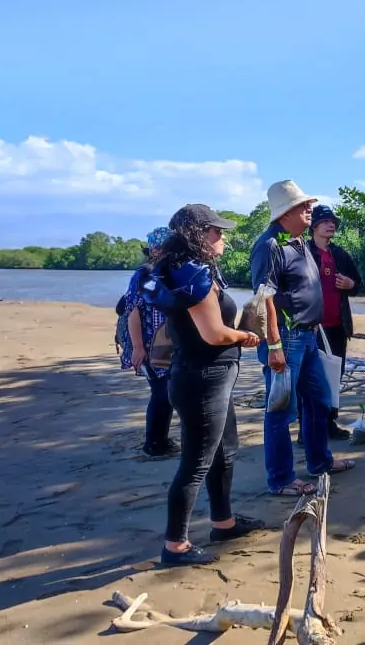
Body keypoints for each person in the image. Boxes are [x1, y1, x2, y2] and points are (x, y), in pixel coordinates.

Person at [149, 204, 263, 566]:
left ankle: (223, 522)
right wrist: (246, 334)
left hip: (208, 375)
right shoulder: (193, 276)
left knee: (225, 450)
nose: (223, 237)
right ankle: (175, 545)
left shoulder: (180, 270)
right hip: (203, 376)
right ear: (197, 235)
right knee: (196, 462)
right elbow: (214, 334)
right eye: (216, 231)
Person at [250, 180, 356, 497]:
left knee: (319, 401)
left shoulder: (298, 242)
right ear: (285, 212)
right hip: (286, 337)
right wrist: (275, 346)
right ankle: (281, 478)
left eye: (308, 204)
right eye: (302, 206)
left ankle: (319, 461)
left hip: (309, 337)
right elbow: (263, 297)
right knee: (281, 410)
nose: (309, 209)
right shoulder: (269, 245)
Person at [307, 204, 362, 439]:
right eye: (325, 221)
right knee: (311, 381)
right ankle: (307, 430)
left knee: (333, 378)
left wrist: (350, 285)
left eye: (333, 222)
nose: (331, 225)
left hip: (337, 327)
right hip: (311, 328)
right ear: (314, 226)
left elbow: (360, 285)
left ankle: (329, 424)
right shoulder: (304, 252)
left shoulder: (340, 254)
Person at [122, 226, 178, 457]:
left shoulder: (173, 270)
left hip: (171, 344)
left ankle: (159, 441)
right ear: (154, 249)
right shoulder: (144, 274)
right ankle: (155, 444)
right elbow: (133, 312)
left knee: (167, 394)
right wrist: (137, 348)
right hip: (151, 345)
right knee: (162, 394)